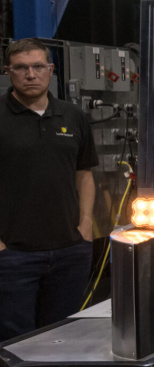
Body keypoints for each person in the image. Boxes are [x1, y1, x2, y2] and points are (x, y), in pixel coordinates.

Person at [0, 38, 98, 341]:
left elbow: (84, 174)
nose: (31, 74)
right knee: (15, 343)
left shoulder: (73, 116)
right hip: (14, 254)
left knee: (62, 337)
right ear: (8, 72)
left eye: (38, 67)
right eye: (21, 68)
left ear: (50, 69)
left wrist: (84, 225)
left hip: (70, 251)